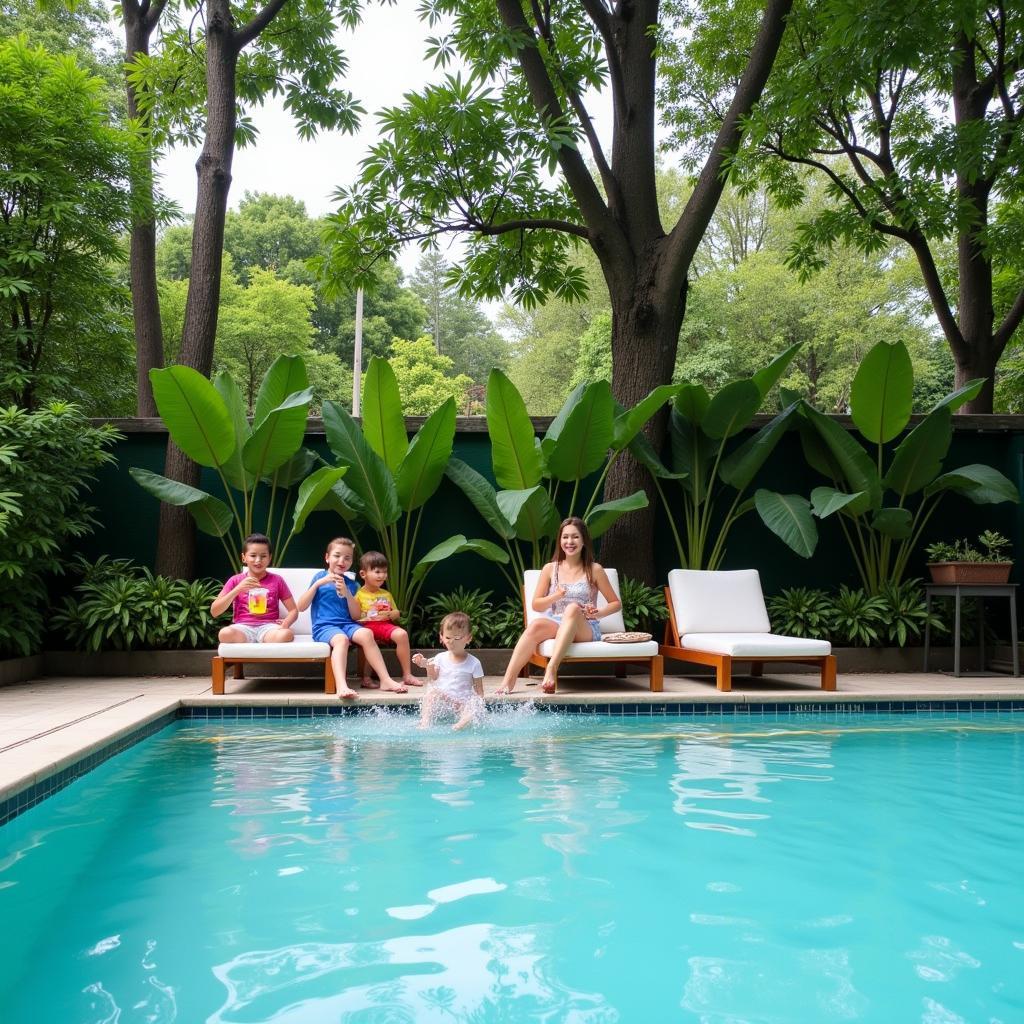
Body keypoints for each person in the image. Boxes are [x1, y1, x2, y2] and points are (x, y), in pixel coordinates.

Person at [496, 516, 621, 695]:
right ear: (560, 540)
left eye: (575, 537)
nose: (569, 542)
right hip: (558, 622)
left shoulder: (595, 570)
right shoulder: (550, 569)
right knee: (536, 625)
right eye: (565, 537)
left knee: (572, 608)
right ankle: (508, 681)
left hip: (585, 627)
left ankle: (552, 668)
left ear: (584, 540)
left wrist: (598, 613)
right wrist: (556, 596)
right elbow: (537, 605)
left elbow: (616, 604)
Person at [294, 537, 408, 699]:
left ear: (351, 562)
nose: (342, 561)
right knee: (341, 640)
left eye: (347, 558)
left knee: (367, 634)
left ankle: (385, 680)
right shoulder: (319, 577)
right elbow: (301, 606)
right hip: (325, 627)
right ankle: (342, 685)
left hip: (348, 624)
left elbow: (355, 615)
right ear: (327, 557)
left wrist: (347, 593)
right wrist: (318, 584)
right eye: (337, 556)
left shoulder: (352, 585)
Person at [212, 533, 297, 644]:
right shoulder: (235, 580)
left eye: (263, 556)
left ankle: (263, 639)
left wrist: (286, 623)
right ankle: (250, 639)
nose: (258, 560)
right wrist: (238, 589)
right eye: (253, 555)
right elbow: (214, 611)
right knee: (224, 633)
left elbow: (293, 610)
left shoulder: (277, 580)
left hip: (269, 628)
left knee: (286, 634)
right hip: (242, 627)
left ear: (270, 557)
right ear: (244, 557)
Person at [353, 550, 420, 689]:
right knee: (368, 638)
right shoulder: (358, 595)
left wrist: (389, 614)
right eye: (377, 572)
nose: (382, 575)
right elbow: (355, 617)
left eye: (384, 572)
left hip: (385, 625)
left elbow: (396, 613)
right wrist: (368, 615)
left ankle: (407, 675)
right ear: (363, 574)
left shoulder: (386, 594)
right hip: (367, 626)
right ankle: (366, 678)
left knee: (402, 634)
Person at [413, 611, 485, 730]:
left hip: (463, 703)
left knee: (474, 704)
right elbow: (433, 678)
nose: (451, 641)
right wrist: (426, 665)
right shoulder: (440, 658)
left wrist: (477, 706)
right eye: (448, 637)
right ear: (441, 637)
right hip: (446, 700)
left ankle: (459, 725)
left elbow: (479, 692)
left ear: (468, 638)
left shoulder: (474, 663)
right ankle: (425, 722)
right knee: (432, 693)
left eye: (457, 638)